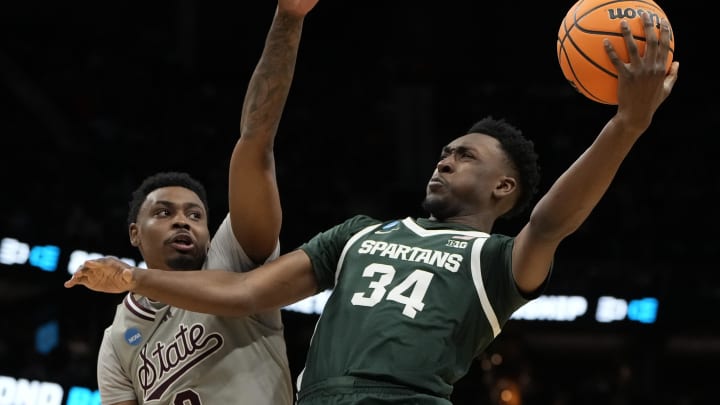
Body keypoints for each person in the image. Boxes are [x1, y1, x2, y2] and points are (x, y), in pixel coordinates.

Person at [67, 12, 679, 405]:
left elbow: (550, 221)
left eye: (464, 156)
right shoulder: (359, 234)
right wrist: (133, 279)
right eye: (444, 151)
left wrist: (626, 124)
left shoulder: (497, 262)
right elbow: (251, 293)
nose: (443, 160)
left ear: (503, 189)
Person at [84, 1, 320, 404]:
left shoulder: (233, 258)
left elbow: (255, 142)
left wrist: (289, 18)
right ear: (134, 234)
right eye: (164, 212)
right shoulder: (116, 340)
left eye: (195, 215)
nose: (183, 222)